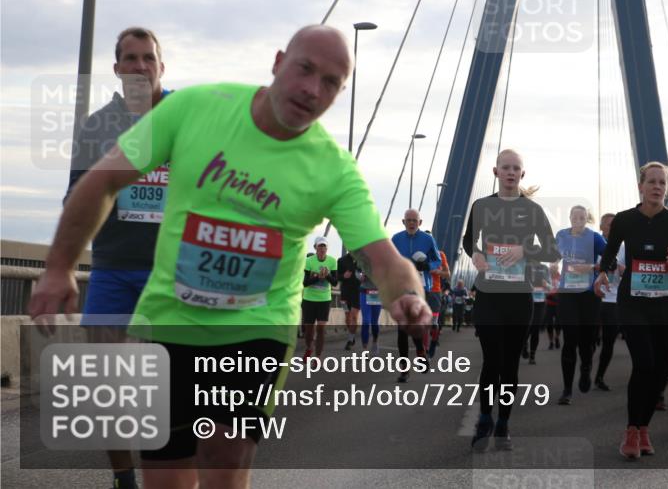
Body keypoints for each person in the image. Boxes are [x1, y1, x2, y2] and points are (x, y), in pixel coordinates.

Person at [30, 24, 431, 489]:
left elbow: (382, 259)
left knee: (225, 451)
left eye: (331, 83)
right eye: (305, 69)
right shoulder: (194, 108)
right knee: (165, 476)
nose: (311, 89)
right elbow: (101, 182)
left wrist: (408, 295)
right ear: (278, 62)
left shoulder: (335, 171)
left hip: (257, 325)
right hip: (171, 319)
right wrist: (59, 267)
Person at [67, 26, 169, 489]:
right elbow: (74, 198)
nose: (140, 66)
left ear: (161, 66)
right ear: (117, 69)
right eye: (130, 58)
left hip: (171, 273)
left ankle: (168, 473)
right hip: (111, 268)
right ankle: (124, 476)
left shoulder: (185, 119)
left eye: (148, 58)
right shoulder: (97, 126)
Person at [595, 162, 668, 460]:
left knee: (660, 369)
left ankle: (644, 428)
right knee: (644, 364)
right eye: (651, 181)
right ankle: (631, 430)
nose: (656, 187)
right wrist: (603, 273)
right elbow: (610, 255)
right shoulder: (625, 220)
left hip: (665, 305)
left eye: (662, 182)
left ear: (667, 188)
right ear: (640, 186)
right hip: (633, 303)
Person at [463, 148, 560, 452]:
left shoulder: (533, 212)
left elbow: (551, 250)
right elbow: (468, 241)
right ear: (496, 172)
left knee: (509, 366)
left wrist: (524, 251)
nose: (510, 172)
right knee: (491, 360)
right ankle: (483, 417)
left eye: (515, 168)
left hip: (519, 298)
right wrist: (476, 254)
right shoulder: (481, 206)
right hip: (489, 296)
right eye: (505, 167)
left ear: (521, 174)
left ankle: (503, 422)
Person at [553, 206, 607, 404]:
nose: (577, 219)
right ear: (570, 218)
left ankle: (586, 368)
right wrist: (552, 264)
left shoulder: (595, 238)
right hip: (567, 293)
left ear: (586, 219)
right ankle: (567, 390)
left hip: (588, 295)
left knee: (586, 341)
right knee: (570, 339)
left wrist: (593, 267)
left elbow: (609, 259)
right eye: (574, 216)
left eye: (581, 217)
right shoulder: (561, 235)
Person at [391, 209, 441, 381]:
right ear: (403, 222)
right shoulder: (396, 239)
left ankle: (420, 350)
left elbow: (438, 261)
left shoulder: (428, 239)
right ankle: (404, 369)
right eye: (408, 220)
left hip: (420, 288)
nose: (411, 223)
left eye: (414, 220)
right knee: (402, 330)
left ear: (420, 222)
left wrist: (426, 265)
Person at [593, 212, 623, 391]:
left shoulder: (625, 247)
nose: (612, 228)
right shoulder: (594, 245)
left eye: (615, 224)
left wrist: (621, 267)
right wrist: (597, 267)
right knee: (588, 340)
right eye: (609, 224)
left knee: (608, 341)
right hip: (594, 297)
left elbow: (629, 271)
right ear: (602, 227)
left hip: (613, 299)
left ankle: (599, 376)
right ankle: (586, 367)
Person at [301, 237, 337, 359]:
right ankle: (309, 348)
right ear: (315, 248)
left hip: (324, 300)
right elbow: (305, 283)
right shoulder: (309, 261)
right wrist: (317, 277)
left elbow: (335, 282)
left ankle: (318, 357)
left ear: (327, 248)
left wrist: (327, 276)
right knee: (309, 330)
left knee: (321, 328)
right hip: (309, 299)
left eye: (324, 246)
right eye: (320, 246)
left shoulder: (332, 261)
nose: (322, 249)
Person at [337, 250, 362, 350]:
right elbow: (336, 277)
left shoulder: (362, 260)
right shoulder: (342, 260)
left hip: (357, 292)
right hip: (345, 293)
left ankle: (350, 339)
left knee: (354, 317)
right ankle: (352, 335)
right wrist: (343, 276)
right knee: (347, 318)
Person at [359, 267, 382, 354]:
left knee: (374, 322)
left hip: (376, 293)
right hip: (365, 292)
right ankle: (364, 349)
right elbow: (357, 271)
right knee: (366, 321)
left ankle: (375, 342)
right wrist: (360, 276)